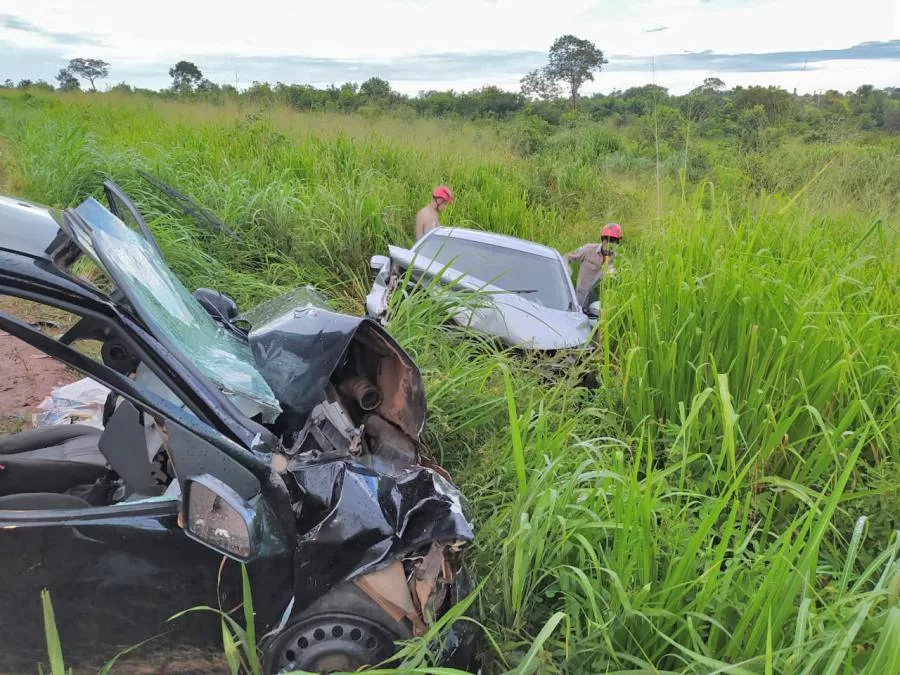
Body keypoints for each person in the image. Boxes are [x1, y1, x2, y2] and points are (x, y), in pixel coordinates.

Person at [565, 223, 622, 309]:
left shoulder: (618, 260)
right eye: (607, 240)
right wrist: (566, 269)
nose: (609, 244)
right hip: (579, 299)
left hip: (599, 305)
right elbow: (567, 257)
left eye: (613, 241)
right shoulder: (588, 250)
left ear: (617, 243)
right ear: (602, 240)